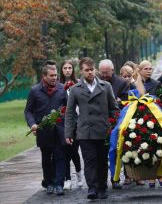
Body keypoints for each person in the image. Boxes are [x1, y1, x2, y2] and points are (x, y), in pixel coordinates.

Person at [65, 57, 119, 200]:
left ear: (95, 69)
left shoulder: (106, 86)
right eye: (86, 70)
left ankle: (102, 187)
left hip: (103, 130)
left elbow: (114, 109)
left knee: (102, 160)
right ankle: (92, 188)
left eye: (91, 69)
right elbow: (69, 113)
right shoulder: (75, 89)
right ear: (81, 71)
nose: (90, 72)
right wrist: (68, 133)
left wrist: (113, 127)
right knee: (89, 160)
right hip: (85, 131)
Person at [24, 60, 67, 196]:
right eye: (51, 76)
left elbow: (68, 108)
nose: (55, 78)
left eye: (55, 75)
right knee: (46, 158)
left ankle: (59, 184)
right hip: (43, 131)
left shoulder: (62, 88)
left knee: (60, 156)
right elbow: (28, 111)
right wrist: (32, 124)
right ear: (44, 76)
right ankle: (49, 182)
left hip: (60, 130)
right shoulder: (34, 91)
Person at [59, 60, 83, 189]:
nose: (67, 70)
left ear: (73, 70)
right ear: (61, 70)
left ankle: (79, 173)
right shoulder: (58, 85)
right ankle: (67, 178)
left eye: (69, 68)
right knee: (65, 152)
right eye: (65, 68)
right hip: (64, 123)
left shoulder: (79, 84)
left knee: (74, 151)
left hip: (78, 123)